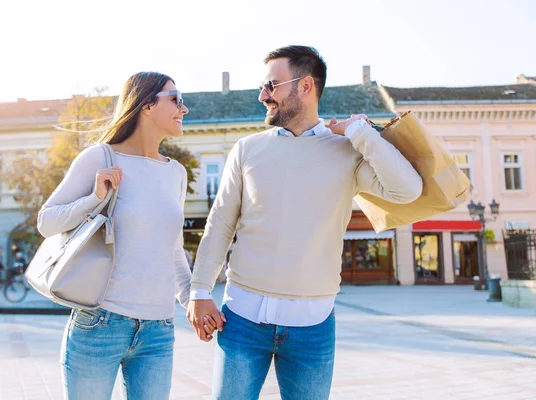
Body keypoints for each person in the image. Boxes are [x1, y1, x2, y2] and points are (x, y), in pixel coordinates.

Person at [187, 45, 423, 399]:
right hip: (241, 320)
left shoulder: (348, 150)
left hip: (313, 328)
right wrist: (200, 291)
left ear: (306, 86)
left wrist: (360, 133)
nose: (262, 95)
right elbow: (221, 222)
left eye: (272, 85)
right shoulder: (246, 149)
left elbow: (407, 191)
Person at [37, 71, 192, 400]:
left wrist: (194, 300)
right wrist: (94, 198)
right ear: (147, 106)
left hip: (159, 329)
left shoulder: (176, 173)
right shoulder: (99, 157)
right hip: (100, 323)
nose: (184, 108)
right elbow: (47, 222)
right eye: (176, 99)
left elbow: (174, 249)